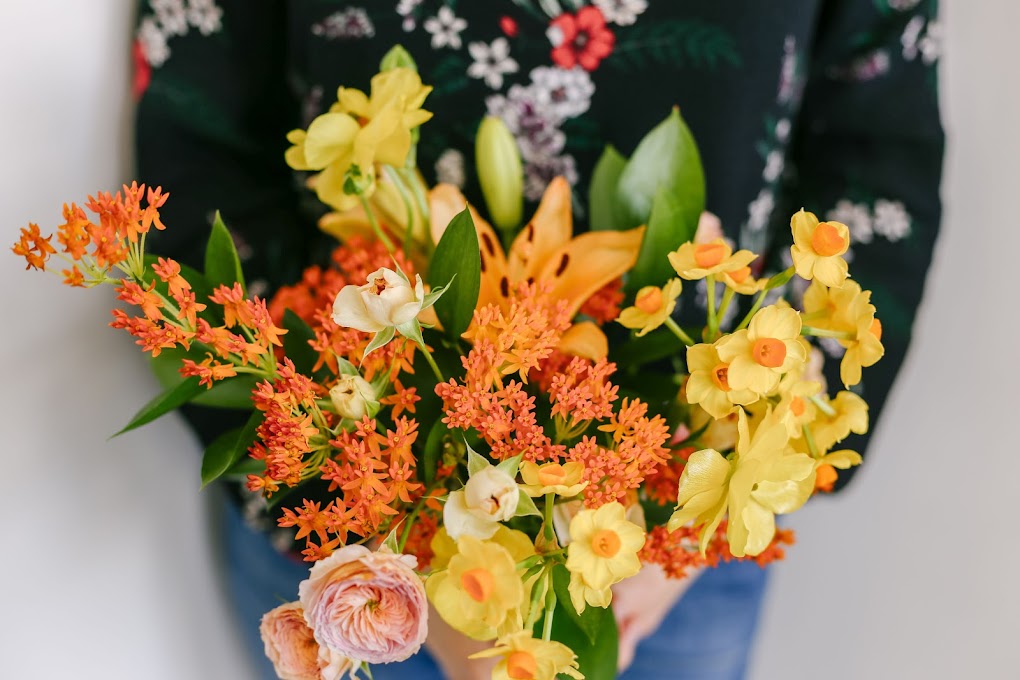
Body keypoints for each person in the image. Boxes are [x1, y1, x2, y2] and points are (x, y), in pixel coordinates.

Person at [132, 1, 944, 678]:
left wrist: (701, 508)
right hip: (348, 534)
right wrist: (390, 536)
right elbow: (197, 145)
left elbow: (879, 161)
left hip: (670, 568)